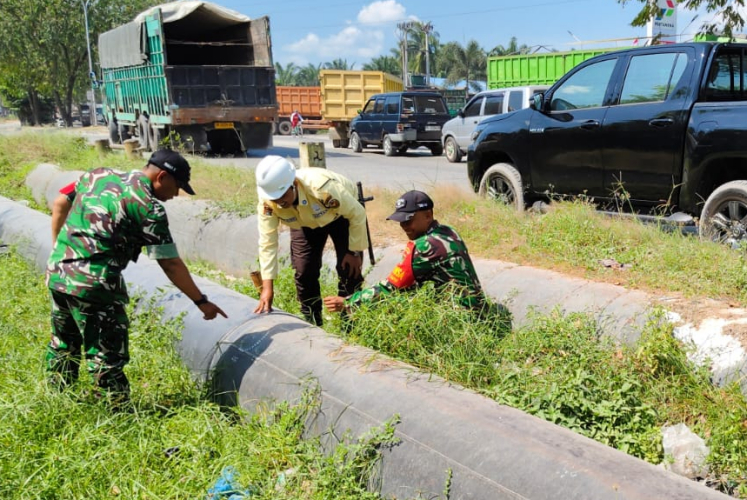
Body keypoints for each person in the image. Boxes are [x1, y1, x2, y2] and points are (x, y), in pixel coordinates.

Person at [46, 149, 228, 403]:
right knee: (106, 356)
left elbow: (60, 203)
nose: (175, 195)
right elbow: (171, 264)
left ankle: (56, 401)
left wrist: (60, 252)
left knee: (63, 345)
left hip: (58, 274)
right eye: (177, 187)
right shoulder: (149, 208)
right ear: (162, 176)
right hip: (94, 286)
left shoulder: (98, 175)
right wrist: (201, 301)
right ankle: (113, 417)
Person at [323, 190, 487, 314]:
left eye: (408, 220)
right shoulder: (448, 232)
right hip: (478, 310)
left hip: (459, 318)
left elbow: (390, 287)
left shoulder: (425, 246)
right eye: (401, 222)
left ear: (428, 215)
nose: (404, 227)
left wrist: (348, 302)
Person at [254, 156, 367, 326]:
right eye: (275, 199)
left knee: (349, 269)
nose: (280, 203)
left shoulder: (322, 188)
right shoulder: (268, 202)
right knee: (304, 270)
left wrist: (354, 251)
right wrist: (267, 286)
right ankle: (312, 322)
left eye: (283, 196)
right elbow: (267, 242)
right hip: (303, 222)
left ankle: (350, 322)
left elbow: (357, 214)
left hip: (341, 216)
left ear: (295, 184)